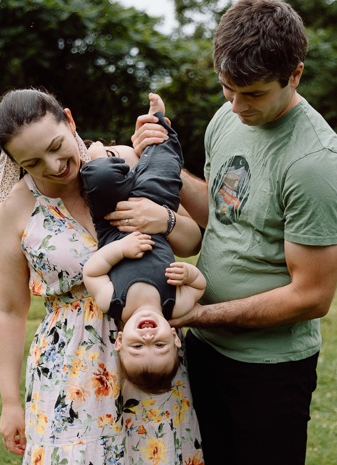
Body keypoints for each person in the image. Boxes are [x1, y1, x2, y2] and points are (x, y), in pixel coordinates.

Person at [131, 1, 337, 464]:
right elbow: (222, 212)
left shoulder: (315, 164)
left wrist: (198, 316)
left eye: (251, 94)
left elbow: (312, 296)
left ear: (294, 74)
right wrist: (161, 154)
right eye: (227, 89)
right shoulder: (227, 118)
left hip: (268, 370)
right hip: (205, 351)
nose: (236, 105)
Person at [0, 88, 204, 465]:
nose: (54, 166)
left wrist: (164, 219)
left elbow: (190, 240)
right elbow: (8, 309)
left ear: (70, 121)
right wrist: (10, 402)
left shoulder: (121, 162)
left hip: (148, 352)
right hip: (70, 368)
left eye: (57, 146)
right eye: (34, 162)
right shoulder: (15, 209)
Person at [81, 94, 207, 394]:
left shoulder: (114, 303)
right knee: (165, 160)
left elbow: (92, 273)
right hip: (157, 202)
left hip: (112, 221)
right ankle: (157, 119)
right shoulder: (175, 306)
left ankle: (100, 156)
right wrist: (189, 277)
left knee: (100, 176)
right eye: (160, 344)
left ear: (121, 341)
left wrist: (120, 250)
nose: (148, 338)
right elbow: (200, 285)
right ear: (175, 337)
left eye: (137, 346)